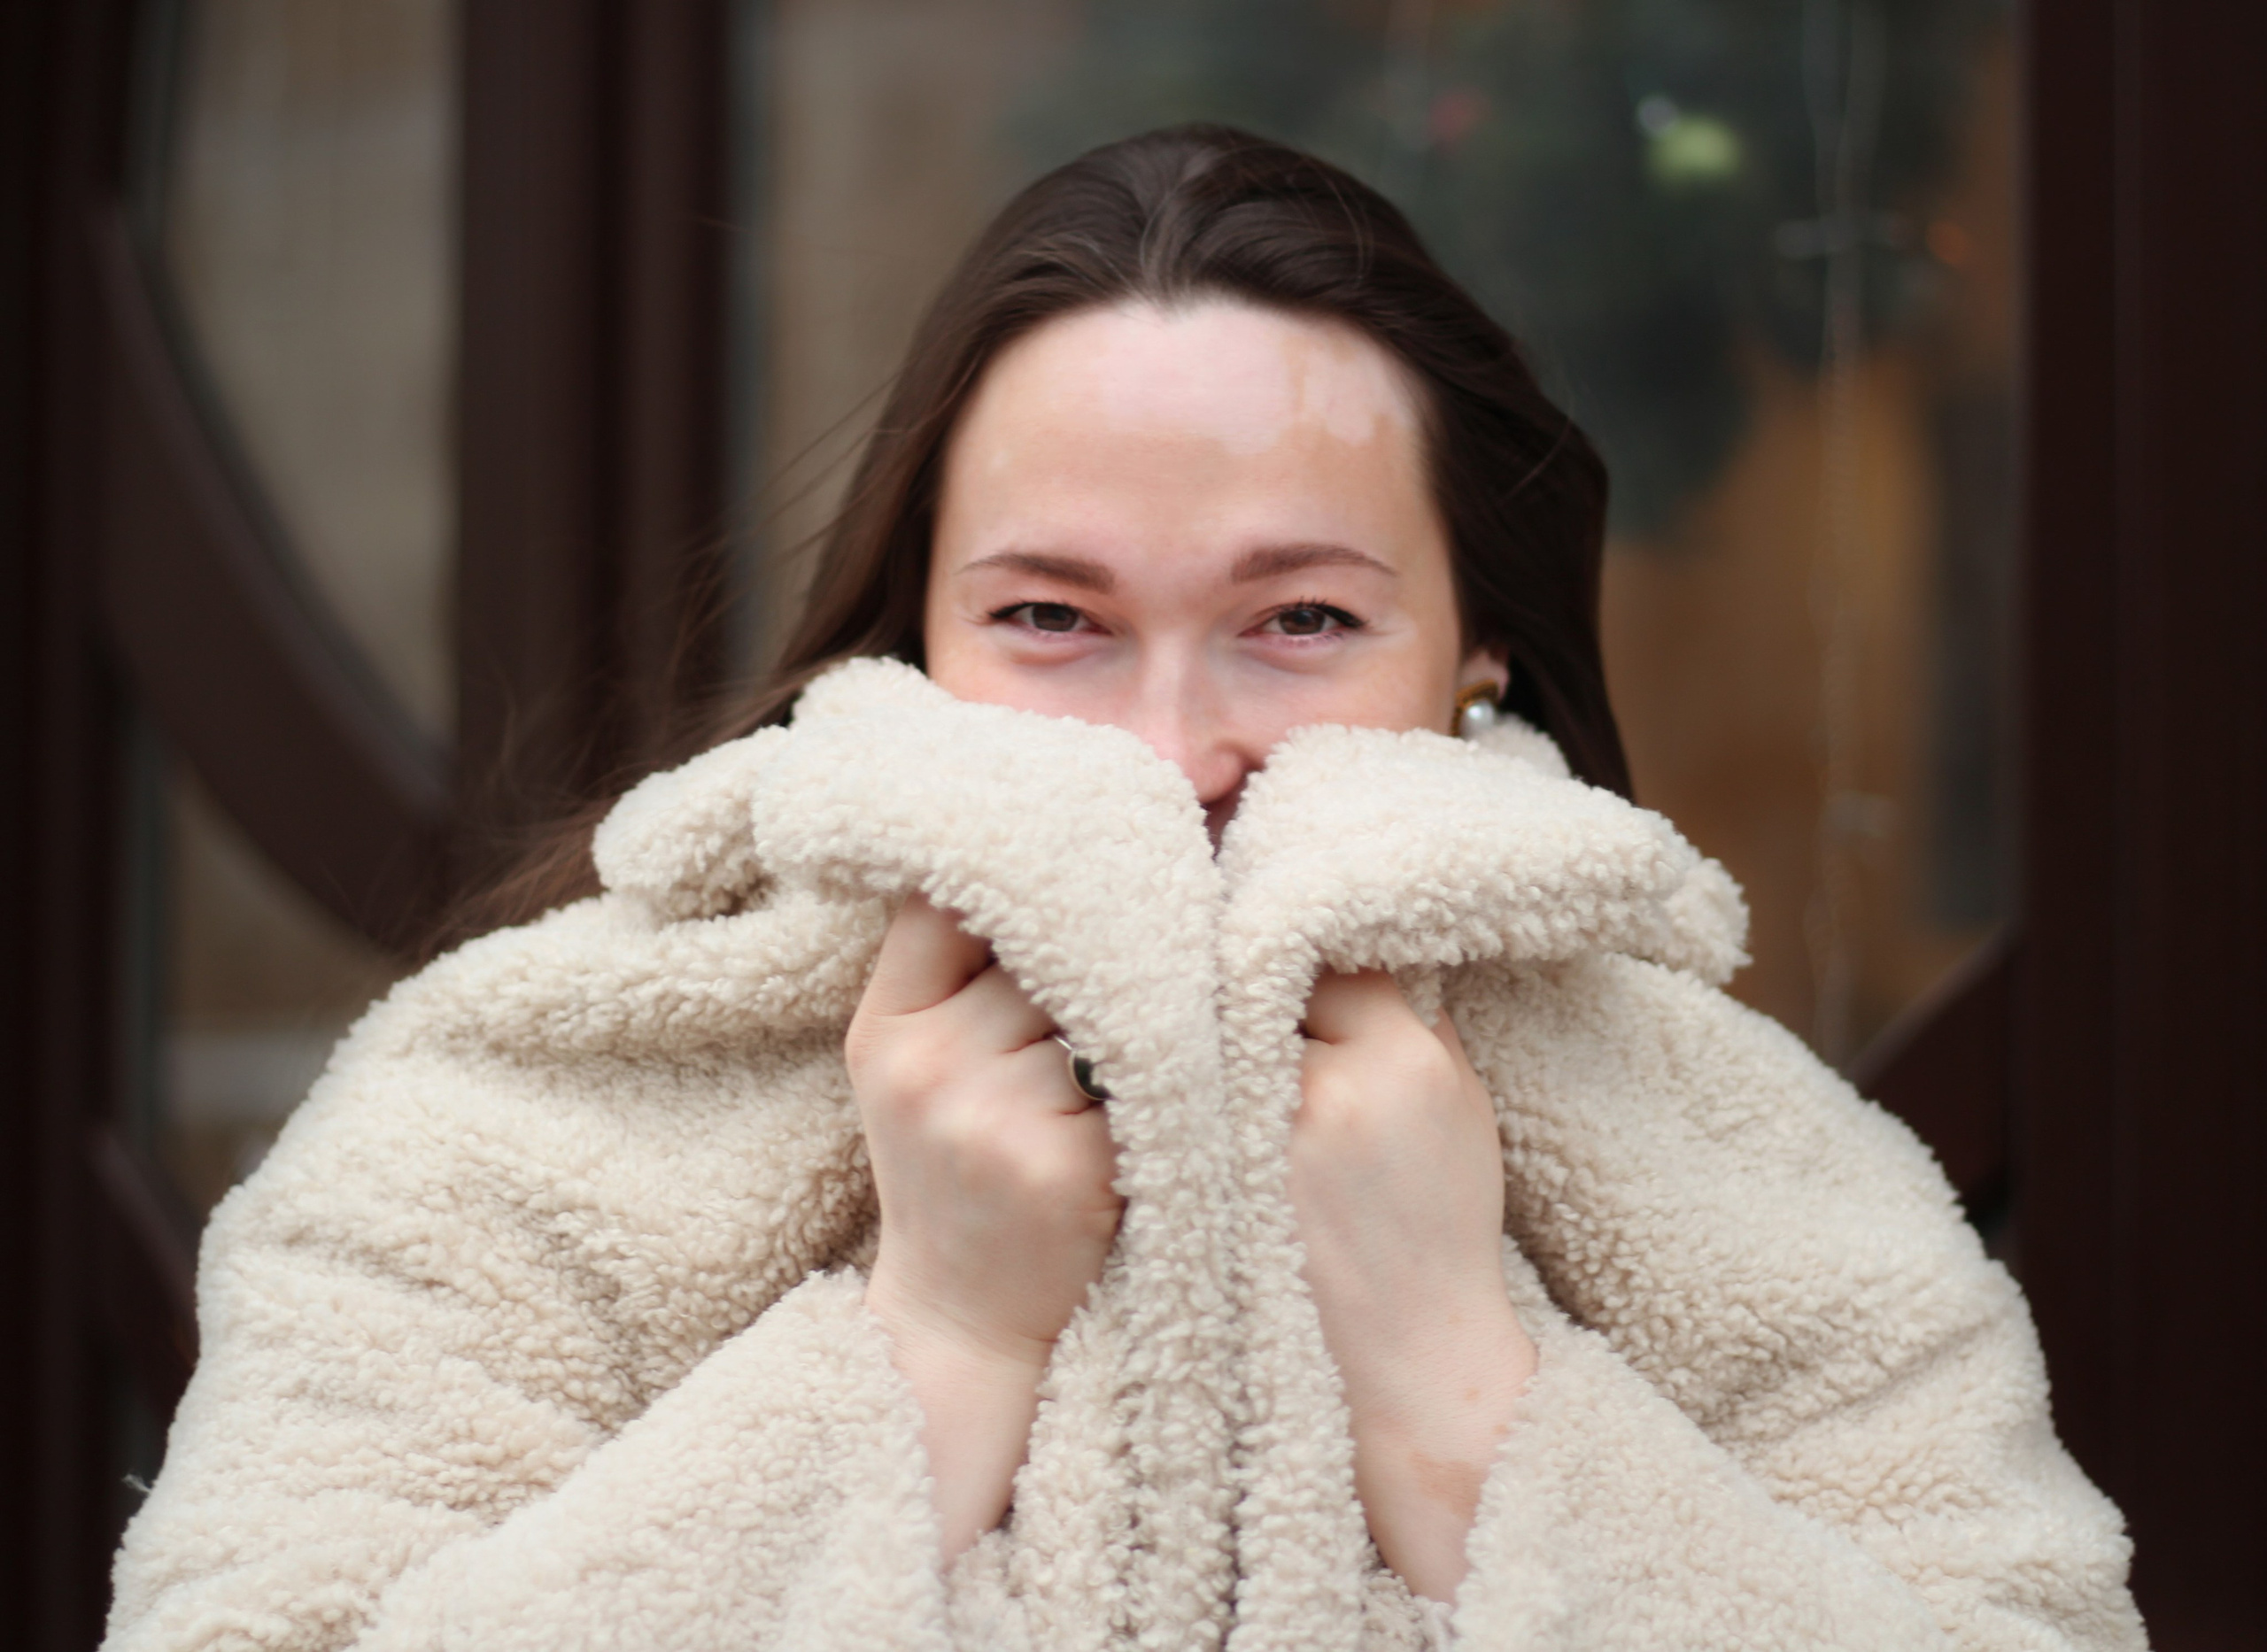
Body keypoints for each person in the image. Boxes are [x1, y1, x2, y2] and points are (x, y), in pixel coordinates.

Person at [104, 126, 2143, 1650]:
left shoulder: (1744, 1166)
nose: (1172, 748)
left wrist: (1458, 1382)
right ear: (912, 633)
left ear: (1473, 652)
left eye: (1302, 619)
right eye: (1056, 617)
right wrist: (930, 1353)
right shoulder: (515, 1110)